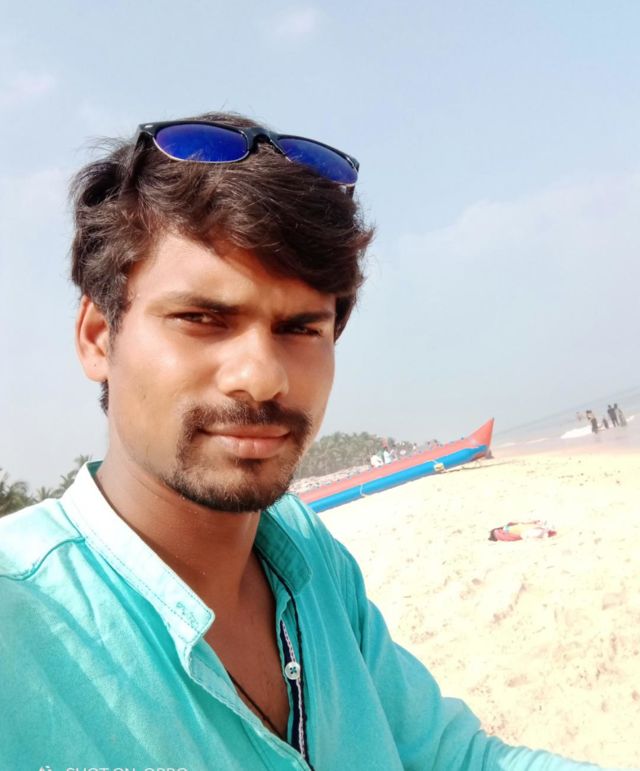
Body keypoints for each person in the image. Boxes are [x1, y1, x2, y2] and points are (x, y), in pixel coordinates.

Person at [0, 112, 631, 771]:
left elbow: (449, 756)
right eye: (202, 318)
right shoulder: (21, 624)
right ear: (98, 337)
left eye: (301, 329)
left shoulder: (306, 555)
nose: (262, 376)